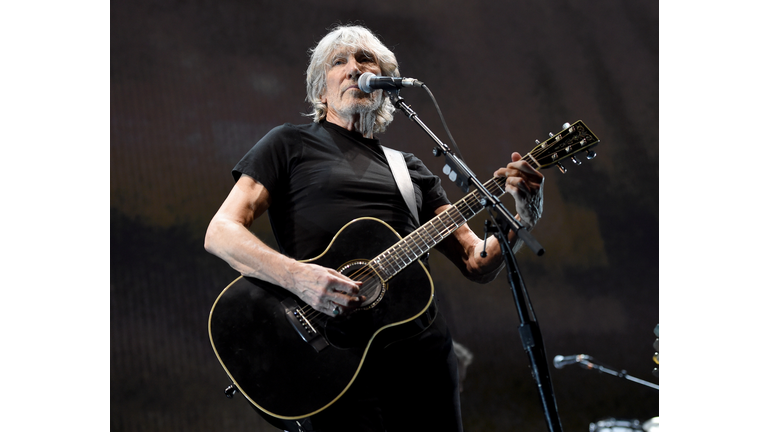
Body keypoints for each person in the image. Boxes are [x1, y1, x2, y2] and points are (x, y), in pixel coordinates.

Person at [204, 24, 544, 432]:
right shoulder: (287, 144)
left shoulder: (410, 168)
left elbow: (475, 260)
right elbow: (221, 231)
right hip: (333, 355)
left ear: (385, 85)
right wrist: (299, 278)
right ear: (320, 91)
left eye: (365, 60)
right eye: (339, 62)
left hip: (422, 359)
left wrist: (521, 218)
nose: (353, 68)